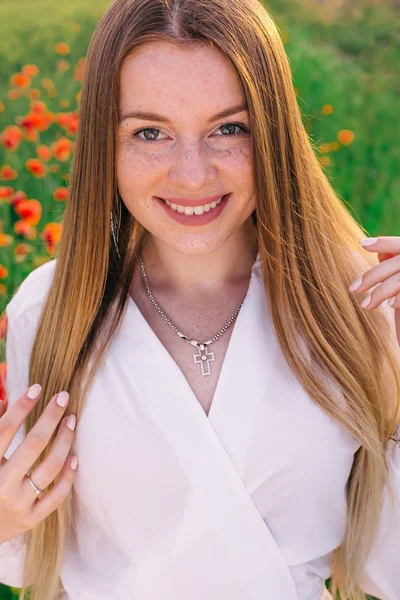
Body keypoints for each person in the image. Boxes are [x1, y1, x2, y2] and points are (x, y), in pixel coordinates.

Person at [1, 0, 400, 598]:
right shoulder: (49, 310)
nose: (192, 175)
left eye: (228, 129)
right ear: (103, 146)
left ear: (274, 134)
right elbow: (35, 566)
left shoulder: (357, 299)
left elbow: (381, 566)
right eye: (150, 133)